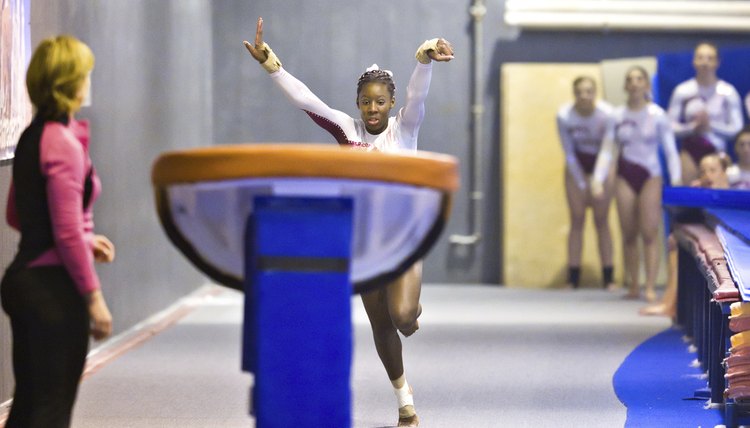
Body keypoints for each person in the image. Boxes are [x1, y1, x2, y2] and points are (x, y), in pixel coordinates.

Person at [243, 17, 453, 427]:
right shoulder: (347, 131)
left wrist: (424, 57)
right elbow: (307, 102)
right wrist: (272, 65)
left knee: (404, 319)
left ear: (391, 103)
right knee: (381, 323)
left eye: (380, 102)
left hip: (406, 236)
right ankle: (405, 404)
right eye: (366, 102)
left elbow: (418, 95)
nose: (372, 110)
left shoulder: (404, 131)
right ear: (358, 102)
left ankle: (409, 309)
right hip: (365, 243)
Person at [1, 35, 114, 428]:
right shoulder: (63, 142)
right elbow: (65, 232)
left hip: (23, 281)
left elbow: (17, 214)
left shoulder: (33, 136)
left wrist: (82, 239)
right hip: (52, 291)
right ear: (71, 82)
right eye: (85, 74)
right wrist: (95, 300)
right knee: (51, 411)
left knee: (29, 407)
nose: (89, 81)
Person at [591, 66, 682, 302]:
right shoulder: (617, 116)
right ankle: (634, 284)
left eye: (639, 78)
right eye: (630, 79)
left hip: (650, 175)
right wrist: (597, 178)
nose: (634, 83)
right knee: (628, 232)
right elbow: (607, 150)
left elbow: (670, 151)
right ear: (625, 86)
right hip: (625, 175)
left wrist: (677, 180)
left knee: (649, 232)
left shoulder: (657, 115)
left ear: (646, 85)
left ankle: (650, 285)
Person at [640, 152, 732, 318]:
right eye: (703, 171)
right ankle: (670, 302)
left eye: (712, 170)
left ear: (724, 172)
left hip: (730, 241)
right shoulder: (700, 192)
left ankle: (672, 304)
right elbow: (683, 217)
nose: (707, 175)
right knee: (676, 242)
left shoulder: (736, 193)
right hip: (711, 235)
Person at [556, 76, 616, 290]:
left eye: (589, 91)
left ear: (595, 93)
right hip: (577, 166)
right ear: (574, 94)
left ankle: (608, 277)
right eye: (580, 92)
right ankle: (573, 278)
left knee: (602, 221)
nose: (584, 96)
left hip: (602, 163)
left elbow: (608, 150)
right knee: (577, 220)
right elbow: (569, 153)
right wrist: (582, 183)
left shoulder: (607, 114)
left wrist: (597, 181)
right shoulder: (564, 115)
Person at [667, 42, 743, 184]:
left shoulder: (728, 92)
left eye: (710, 58)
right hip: (690, 150)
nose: (705, 62)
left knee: (715, 197)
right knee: (690, 196)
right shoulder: (682, 91)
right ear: (694, 61)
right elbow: (669, 126)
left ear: (717, 62)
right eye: (700, 58)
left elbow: (737, 128)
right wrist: (691, 128)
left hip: (717, 149)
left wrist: (711, 126)